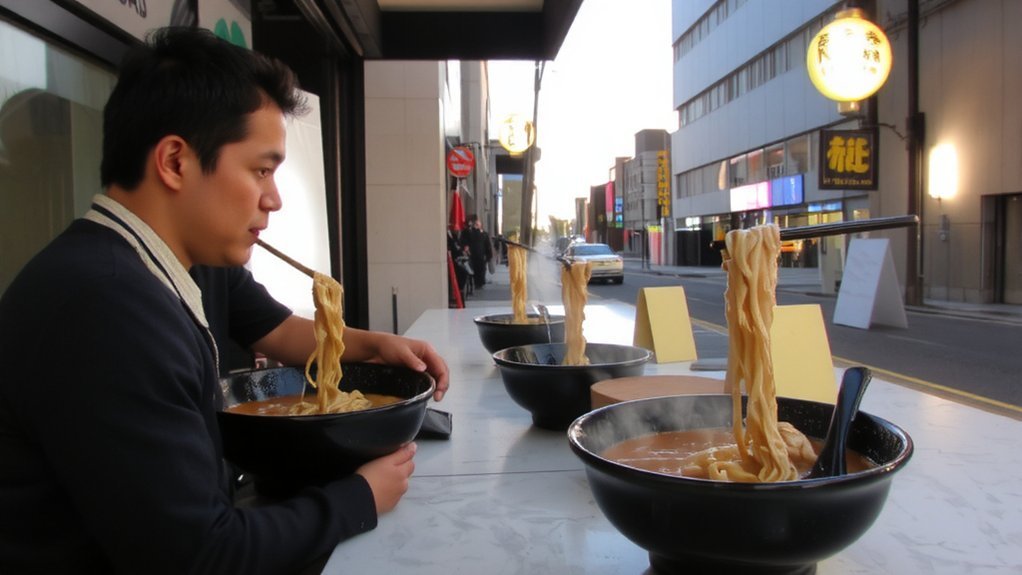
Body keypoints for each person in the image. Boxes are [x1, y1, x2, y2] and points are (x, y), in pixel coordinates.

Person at [0, 27, 448, 574]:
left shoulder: (178, 260)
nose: (274, 198)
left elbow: (279, 329)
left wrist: (374, 346)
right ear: (174, 162)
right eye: (261, 169)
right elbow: (199, 557)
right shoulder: (104, 309)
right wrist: (357, 499)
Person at [459, 214, 492, 289]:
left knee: (481, 270)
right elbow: (463, 241)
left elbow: (487, 245)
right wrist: (465, 247)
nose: (477, 224)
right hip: (471, 255)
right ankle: (473, 283)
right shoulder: (468, 232)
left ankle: (479, 283)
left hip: (481, 256)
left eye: (478, 222)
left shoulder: (484, 234)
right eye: (475, 222)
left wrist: (488, 255)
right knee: (472, 270)